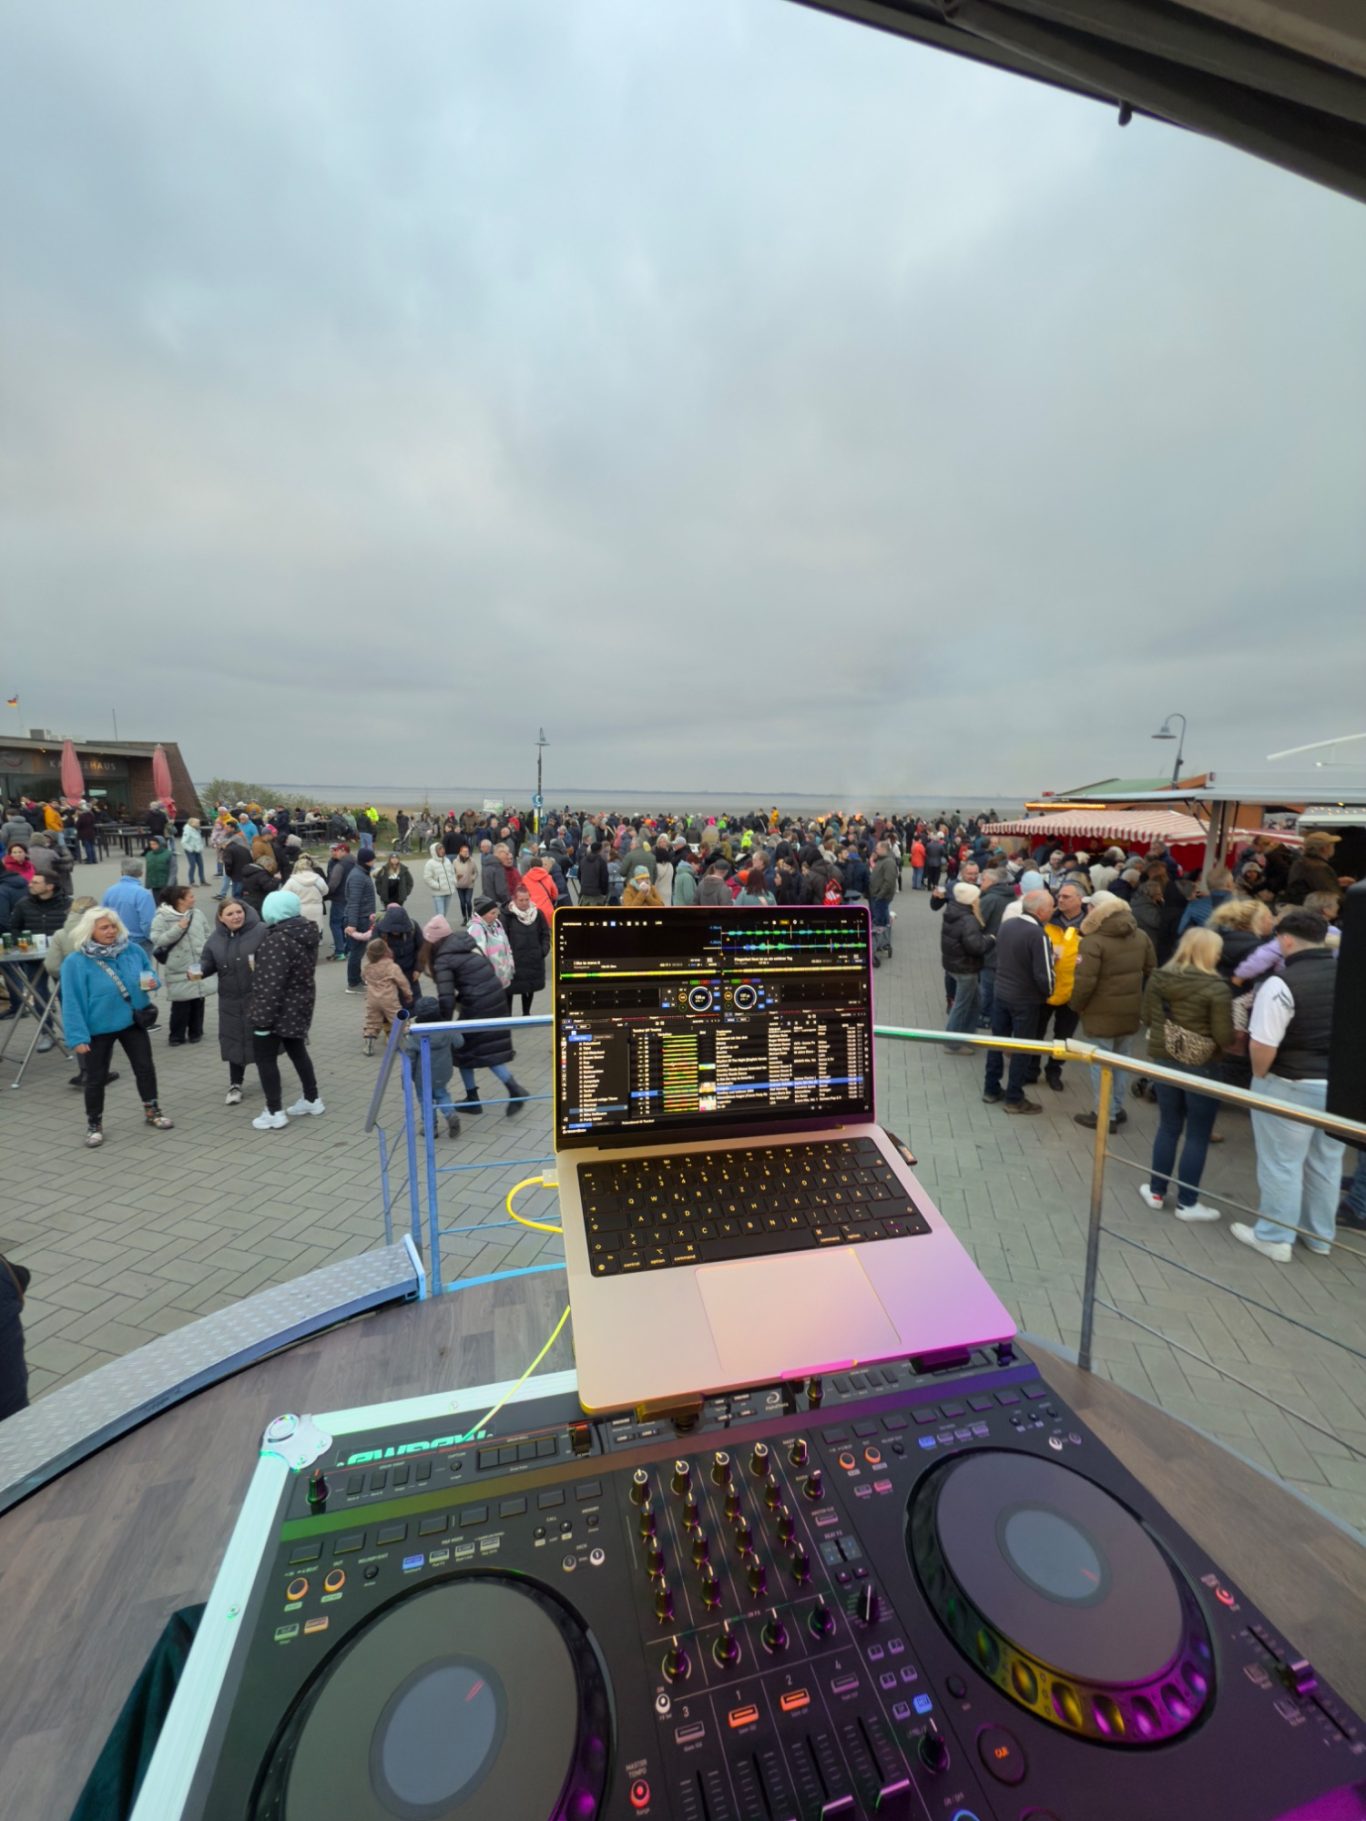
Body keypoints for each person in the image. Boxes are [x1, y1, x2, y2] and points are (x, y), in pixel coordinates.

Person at [1232, 910, 1342, 1263]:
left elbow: (1263, 1044)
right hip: (1336, 1086)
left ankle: (1275, 1237)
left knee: (1281, 1163)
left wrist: (1260, 1077)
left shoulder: (1280, 984)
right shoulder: (1350, 977)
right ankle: (1319, 1236)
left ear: (1286, 940)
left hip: (1289, 1083)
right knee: (1327, 1162)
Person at [1136, 927, 1232, 1221]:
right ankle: (1187, 1204)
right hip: (1203, 1066)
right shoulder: (1217, 988)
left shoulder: (1159, 978)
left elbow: (1147, 1016)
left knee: (1168, 1127)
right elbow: (1224, 1036)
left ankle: (1156, 1192)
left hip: (1165, 1059)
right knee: (1197, 1135)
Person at [60, 907, 174, 1148]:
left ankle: (152, 1110)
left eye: (113, 926)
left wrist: (152, 981)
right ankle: (94, 1124)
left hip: (132, 1021)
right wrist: (77, 1037)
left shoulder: (132, 950)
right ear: (89, 931)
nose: (111, 931)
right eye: (104, 927)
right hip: (97, 1028)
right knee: (96, 1078)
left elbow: (149, 974)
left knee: (145, 1068)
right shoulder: (76, 962)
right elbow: (72, 1002)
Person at [1068, 890, 1155, 1131]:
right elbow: (1151, 969)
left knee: (1100, 1064)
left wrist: (1076, 1005)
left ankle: (1104, 1115)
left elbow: (1085, 982)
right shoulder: (1141, 936)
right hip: (1129, 1011)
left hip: (1100, 1013)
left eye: (1089, 907)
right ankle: (1115, 1108)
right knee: (1121, 1061)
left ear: (1097, 911)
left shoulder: (1093, 941)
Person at [428, 916, 530, 1115]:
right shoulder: (466, 944)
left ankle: (480, 1098)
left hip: (478, 1006)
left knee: (464, 1051)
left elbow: (446, 998)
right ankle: (503, 1091)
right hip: (493, 1000)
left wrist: (442, 1025)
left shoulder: (443, 959)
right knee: (477, 1051)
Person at [247, 890, 324, 1130]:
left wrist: (261, 1019)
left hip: (277, 1010)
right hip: (299, 1005)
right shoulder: (305, 932)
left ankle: (274, 1111)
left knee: (265, 1059)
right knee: (297, 1050)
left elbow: (271, 984)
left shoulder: (277, 940)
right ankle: (312, 1098)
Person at [982, 889, 1055, 1113]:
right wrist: (1048, 993)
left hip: (1001, 993)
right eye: (1051, 907)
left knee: (997, 1042)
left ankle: (991, 1089)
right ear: (1041, 911)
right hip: (1025, 1000)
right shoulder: (1038, 935)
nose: (1053, 911)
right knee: (1022, 1048)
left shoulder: (1007, 925)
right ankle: (1014, 1098)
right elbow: (1044, 974)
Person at [198, 898, 266, 1104]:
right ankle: (235, 1084)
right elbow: (207, 963)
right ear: (221, 918)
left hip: (257, 998)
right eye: (230, 914)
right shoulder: (215, 939)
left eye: (239, 912)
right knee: (235, 1042)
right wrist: (198, 971)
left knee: (262, 1042)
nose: (236, 916)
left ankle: (269, 1078)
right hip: (230, 1003)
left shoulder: (261, 931)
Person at [1028, 881, 1086, 1094]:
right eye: (1059, 896)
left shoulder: (1089, 926)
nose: (1060, 900)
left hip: (1073, 991)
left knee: (1064, 1036)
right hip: (1045, 987)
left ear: (1080, 899)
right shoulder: (1046, 920)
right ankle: (1031, 1069)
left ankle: (1054, 1071)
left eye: (1066, 897)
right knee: (1036, 1031)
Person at [149, 885, 214, 1046]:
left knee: (198, 998)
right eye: (190, 896)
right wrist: (178, 928)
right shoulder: (162, 918)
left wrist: (205, 951)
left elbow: (207, 934)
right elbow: (157, 940)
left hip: (197, 964)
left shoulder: (197, 913)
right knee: (181, 1002)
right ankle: (176, 1036)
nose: (194, 899)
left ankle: (196, 1032)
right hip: (178, 965)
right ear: (179, 900)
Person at [940, 882, 992, 1050]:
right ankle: (952, 1044)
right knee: (961, 1006)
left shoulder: (953, 910)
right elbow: (976, 946)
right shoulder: (968, 919)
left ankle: (968, 1036)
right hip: (966, 968)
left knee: (975, 1002)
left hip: (955, 964)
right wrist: (990, 939)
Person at [502, 884, 551, 1015]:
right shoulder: (507, 916)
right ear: (514, 900)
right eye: (521, 900)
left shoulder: (538, 914)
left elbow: (545, 934)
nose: (524, 903)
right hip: (514, 961)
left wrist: (543, 950)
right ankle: (508, 1017)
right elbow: (502, 937)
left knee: (529, 989)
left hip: (532, 960)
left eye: (526, 900)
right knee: (509, 990)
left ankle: (526, 1014)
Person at [361, 934, 412, 1053]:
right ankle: (408, 1042)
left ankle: (369, 1046)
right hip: (388, 998)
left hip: (372, 999)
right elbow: (402, 981)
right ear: (386, 951)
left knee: (372, 1020)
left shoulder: (367, 967)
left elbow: (363, 977)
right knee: (397, 1019)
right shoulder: (391, 966)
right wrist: (408, 993)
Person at [467, 894, 516, 1005]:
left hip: (503, 977)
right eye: (492, 913)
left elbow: (507, 945)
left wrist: (510, 964)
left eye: (496, 913)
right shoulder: (476, 930)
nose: (496, 916)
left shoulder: (497, 924)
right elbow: (478, 958)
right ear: (482, 914)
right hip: (489, 983)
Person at [102, 859, 157, 955]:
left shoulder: (109, 891)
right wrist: (151, 938)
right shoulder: (143, 894)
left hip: (115, 939)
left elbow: (103, 915)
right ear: (141, 873)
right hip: (139, 941)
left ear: (121, 872)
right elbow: (147, 922)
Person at [343, 850, 379, 991]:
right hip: (358, 919)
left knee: (359, 952)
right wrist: (352, 924)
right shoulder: (357, 876)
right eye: (373, 859)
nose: (374, 862)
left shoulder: (362, 873)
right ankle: (353, 983)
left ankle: (357, 979)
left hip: (364, 917)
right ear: (367, 860)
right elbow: (354, 902)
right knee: (356, 953)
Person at [522, 852, 559, 922]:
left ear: (530, 866)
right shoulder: (548, 877)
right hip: (547, 911)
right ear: (541, 865)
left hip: (532, 912)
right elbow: (555, 895)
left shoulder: (525, 879)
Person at [424, 842, 458, 921]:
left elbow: (452, 872)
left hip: (448, 892)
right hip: (438, 893)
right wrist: (438, 885)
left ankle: (440, 927)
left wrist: (454, 881)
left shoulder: (447, 860)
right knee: (440, 914)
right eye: (439, 849)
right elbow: (427, 878)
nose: (442, 850)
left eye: (443, 848)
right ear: (434, 851)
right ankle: (439, 928)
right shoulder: (430, 863)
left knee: (444, 914)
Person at [576, 841, 610, 906]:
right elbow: (604, 879)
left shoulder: (583, 860)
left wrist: (584, 885)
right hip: (597, 893)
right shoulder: (601, 862)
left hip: (584, 891)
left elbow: (579, 875)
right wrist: (604, 892)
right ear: (600, 850)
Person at [453, 845, 479, 922]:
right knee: (462, 902)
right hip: (459, 885)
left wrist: (473, 878)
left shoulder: (472, 861)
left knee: (468, 901)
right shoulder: (455, 861)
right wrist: (456, 877)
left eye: (467, 851)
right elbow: (452, 872)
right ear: (460, 852)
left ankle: (470, 917)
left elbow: (476, 872)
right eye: (464, 851)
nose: (466, 853)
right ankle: (465, 917)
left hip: (469, 885)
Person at [181, 817, 206, 886]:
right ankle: (191, 881)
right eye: (197, 823)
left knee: (201, 865)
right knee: (193, 865)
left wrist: (200, 848)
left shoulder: (197, 830)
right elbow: (183, 842)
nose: (199, 824)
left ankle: (202, 881)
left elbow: (198, 840)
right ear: (192, 823)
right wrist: (190, 849)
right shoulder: (187, 831)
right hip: (190, 851)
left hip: (197, 850)